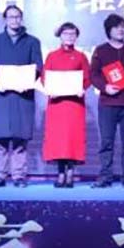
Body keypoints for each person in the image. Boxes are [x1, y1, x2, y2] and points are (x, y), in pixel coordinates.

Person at [0, 5, 43, 188]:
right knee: (0, 138)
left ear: (21, 19)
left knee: (20, 139)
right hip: (1, 95)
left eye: (17, 17)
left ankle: (18, 176)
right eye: (10, 17)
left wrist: (29, 80)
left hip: (23, 96)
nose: (14, 20)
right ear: (5, 19)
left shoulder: (32, 41)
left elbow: (38, 66)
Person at [90, 14, 124, 188]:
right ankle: (105, 176)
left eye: (123, 26)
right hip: (107, 103)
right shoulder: (100, 50)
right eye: (117, 27)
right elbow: (93, 74)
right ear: (108, 30)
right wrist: (105, 87)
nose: (121, 30)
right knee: (106, 142)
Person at [40, 22, 91, 188]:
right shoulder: (52, 56)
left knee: (72, 139)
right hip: (57, 104)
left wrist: (83, 88)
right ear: (60, 36)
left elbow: (87, 78)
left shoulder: (81, 56)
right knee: (59, 140)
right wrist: (50, 89)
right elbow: (45, 77)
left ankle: (71, 172)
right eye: (66, 33)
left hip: (74, 104)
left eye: (73, 34)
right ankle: (60, 172)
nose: (69, 36)